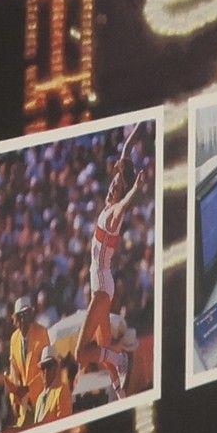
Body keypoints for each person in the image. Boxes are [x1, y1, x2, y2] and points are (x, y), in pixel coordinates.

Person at [76, 127, 144, 368]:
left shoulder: (115, 212)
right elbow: (126, 149)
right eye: (112, 184)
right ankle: (117, 384)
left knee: (81, 354)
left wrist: (135, 189)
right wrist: (139, 126)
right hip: (100, 282)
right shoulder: (109, 206)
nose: (111, 188)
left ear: (121, 193)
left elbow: (124, 205)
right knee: (102, 346)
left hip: (103, 286)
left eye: (116, 188)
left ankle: (120, 359)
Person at [0, 294, 50, 430]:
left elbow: (47, 368)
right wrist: (15, 399)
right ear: (15, 319)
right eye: (20, 316)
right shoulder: (14, 339)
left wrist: (28, 389)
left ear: (31, 315)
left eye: (27, 314)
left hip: (41, 399)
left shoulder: (41, 332)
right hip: (23, 405)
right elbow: (14, 372)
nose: (24, 319)